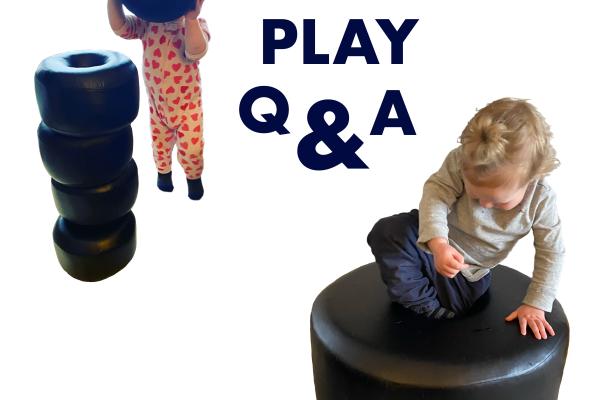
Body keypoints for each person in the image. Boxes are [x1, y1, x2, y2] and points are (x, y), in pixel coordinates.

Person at [367, 98, 565, 340]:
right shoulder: (461, 160)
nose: (485, 206)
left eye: (499, 202)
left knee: (459, 300)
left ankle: (435, 308)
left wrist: (536, 303)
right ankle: (425, 306)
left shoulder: (541, 201)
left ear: (532, 177)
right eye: (476, 195)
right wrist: (439, 244)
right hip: (433, 243)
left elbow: (551, 251)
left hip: (467, 274)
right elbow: (436, 194)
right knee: (388, 231)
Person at [107, 0, 210, 200]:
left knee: (192, 148)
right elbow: (119, 27)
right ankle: (164, 174)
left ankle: (193, 179)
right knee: (159, 143)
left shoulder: (198, 24)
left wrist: (191, 20)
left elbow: (196, 51)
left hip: (188, 107)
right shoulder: (147, 24)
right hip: (158, 105)